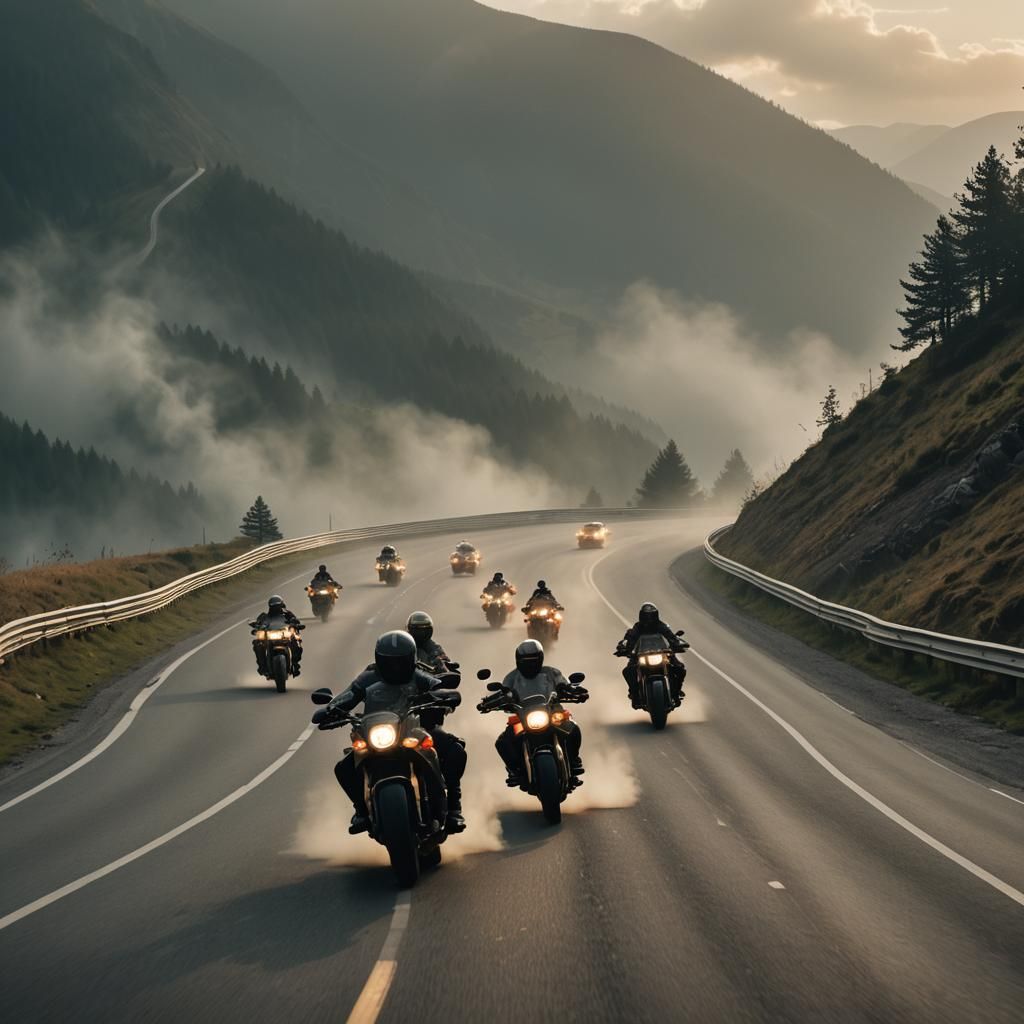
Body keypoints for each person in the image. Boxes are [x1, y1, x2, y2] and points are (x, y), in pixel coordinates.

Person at [325, 630, 466, 834]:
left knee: (454, 750)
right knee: (344, 768)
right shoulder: (368, 678)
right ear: (379, 659)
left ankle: (453, 807)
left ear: (410, 658)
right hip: (375, 733)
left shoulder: (417, 675)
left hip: (413, 729)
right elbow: (348, 696)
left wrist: (444, 696)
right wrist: (331, 709)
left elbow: (436, 686)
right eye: (390, 661)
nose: (395, 666)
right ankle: (361, 811)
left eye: (400, 661)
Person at [492, 639, 585, 787]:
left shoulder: (552, 673)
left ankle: (574, 761)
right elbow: (502, 692)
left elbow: (564, 683)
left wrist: (573, 690)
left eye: (533, 660)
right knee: (503, 742)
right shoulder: (511, 678)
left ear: (541, 658)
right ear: (518, 660)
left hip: (553, 715)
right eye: (526, 661)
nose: (529, 664)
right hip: (523, 718)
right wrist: (492, 701)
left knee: (573, 728)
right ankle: (516, 771)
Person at [616, 602, 688, 707]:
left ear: (656, 615)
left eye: (651, 616)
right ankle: (635, 695)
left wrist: (677, 644)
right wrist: (624, 647)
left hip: (663, 653)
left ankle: (676, 692)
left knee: (680, 668)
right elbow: (630, 637)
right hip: (641, 655)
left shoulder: (661, 626)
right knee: (628, 671)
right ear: (641, 616)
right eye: (646, 616)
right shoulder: (638, 627)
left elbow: (670, 636)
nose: (649, 619)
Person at [250, 595, 305, 676]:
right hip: (269, 637)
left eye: (277, 606)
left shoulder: (287, 614)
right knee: (258, 644)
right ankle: (262, 666)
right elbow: (259, 622)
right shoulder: (264, 616)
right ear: (270, 606)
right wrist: (257, 626)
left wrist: (295, 624)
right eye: (274, 606)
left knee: (296, 642)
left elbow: (295, 620)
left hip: (285, 635)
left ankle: (295, 665)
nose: (276, 608)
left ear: (282, 605)